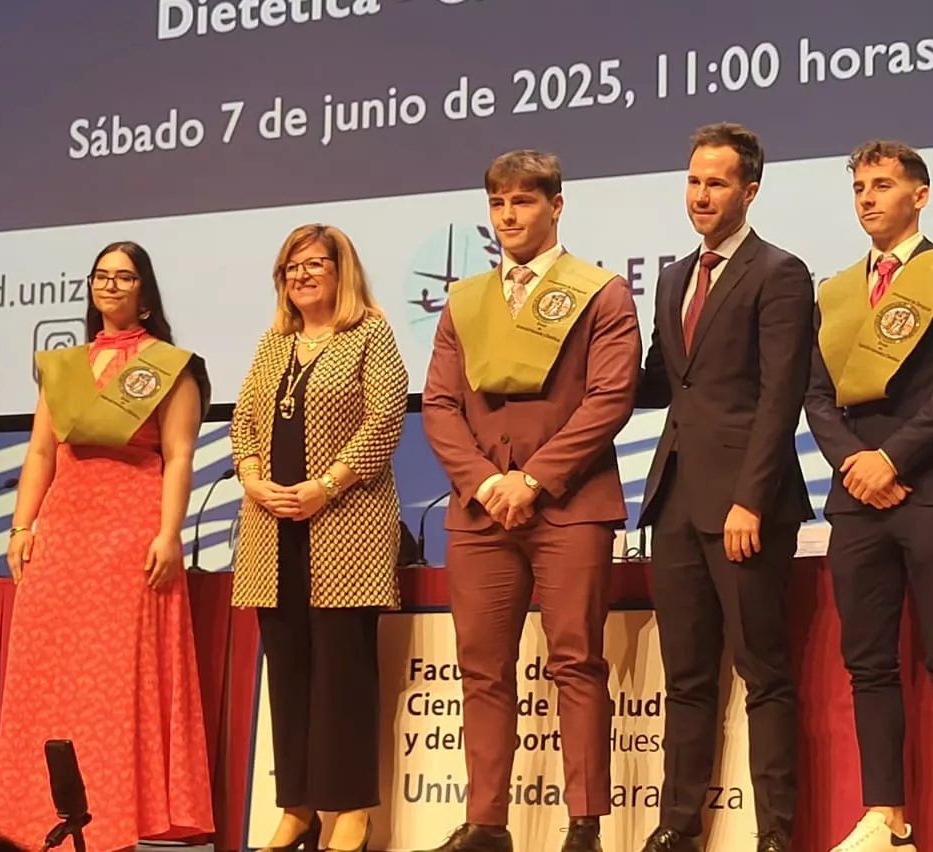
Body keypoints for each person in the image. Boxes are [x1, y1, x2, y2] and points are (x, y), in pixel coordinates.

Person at [418, 150, 641, 852]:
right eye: (498, 203)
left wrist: (535, 479)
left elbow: (609, 399)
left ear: (556, 205)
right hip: (480, 512)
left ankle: (585, 824)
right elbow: (440, 404)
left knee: (576, 661)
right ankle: (487, 822)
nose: (509, 215)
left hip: (569, 506)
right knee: (482, 669)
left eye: (523, 201)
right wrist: (486, 482)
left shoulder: (602, 292)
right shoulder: (464, 300)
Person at [804, 141, 933, 852]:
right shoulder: (833, 293)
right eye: (858, 186)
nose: (867, 197)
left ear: (920, 195)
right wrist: (857, 463)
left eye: (882, 184)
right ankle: (884, 814)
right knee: (868, 661)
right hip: (856, 496)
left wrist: (892, 456)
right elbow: (817, 395)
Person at [0, 241, 215, 852]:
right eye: (102, 276)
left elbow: (179, 456)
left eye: (124, 277)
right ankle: (35, 811)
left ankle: (116, 817)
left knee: (115, 681)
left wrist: (168, 534)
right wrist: (22, 526)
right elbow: (41, 452)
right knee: (51, 677)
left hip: (129, 533)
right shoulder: (63, 367)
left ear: (144, 293)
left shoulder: (169, 365)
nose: (110, 285)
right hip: (63, 535)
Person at [635, 123, 814, 852]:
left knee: (764, 674)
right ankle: (679, 829)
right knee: (686, 677)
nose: (701, 194)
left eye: (716, 182)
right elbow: (657, 379)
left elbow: (780, 396)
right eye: (693, 181)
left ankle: (775, 834)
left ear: (750, 190)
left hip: (746, 504)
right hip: (676, 498)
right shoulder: (676, 276)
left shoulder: (780, 272)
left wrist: (752, 497)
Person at [230, 224, 409, 852]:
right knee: (290, 674)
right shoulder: (273, 343)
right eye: (290, 267)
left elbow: (385, 419)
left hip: (344, 529)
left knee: (344, 676)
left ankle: (352, 810)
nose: (301, 276)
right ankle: (299, 806)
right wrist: (251, 478)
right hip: (271, 535)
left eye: (313, 265)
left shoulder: (370, 333)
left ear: (341, 271)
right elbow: (244, 420)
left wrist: (324, 487)